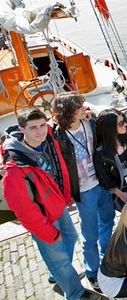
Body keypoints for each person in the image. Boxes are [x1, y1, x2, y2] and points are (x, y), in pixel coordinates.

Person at [1, 107, 100, 300]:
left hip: (58, 205)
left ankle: (58, 274)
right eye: (33, 128)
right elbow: (24, 211)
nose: (40, 131)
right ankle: (75, 292)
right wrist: (47, 232)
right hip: (43, 217)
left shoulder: (47, 137)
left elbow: (64, 117)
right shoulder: (14, 168)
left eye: (41, 125)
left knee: (70, 239)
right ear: (22, 129)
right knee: (58, 257)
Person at [52, 92, 114, 291]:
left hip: (101, 183)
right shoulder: (58, 135)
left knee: (108, 220)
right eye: (79, 107)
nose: (83, 108)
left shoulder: (90, 122)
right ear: (69, 112)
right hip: (84, 190)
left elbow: (102, 114)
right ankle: (92, 271)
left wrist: (91, 113)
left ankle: (106, 255)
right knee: (90, 234)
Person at [94, 109, 127, 211]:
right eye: (121, 123)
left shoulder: (126, 132)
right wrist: (120, 195)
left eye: (124, 120)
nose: (125, 124)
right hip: (123, 188)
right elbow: (104, 178)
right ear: (110, 128)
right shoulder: (101, 153)